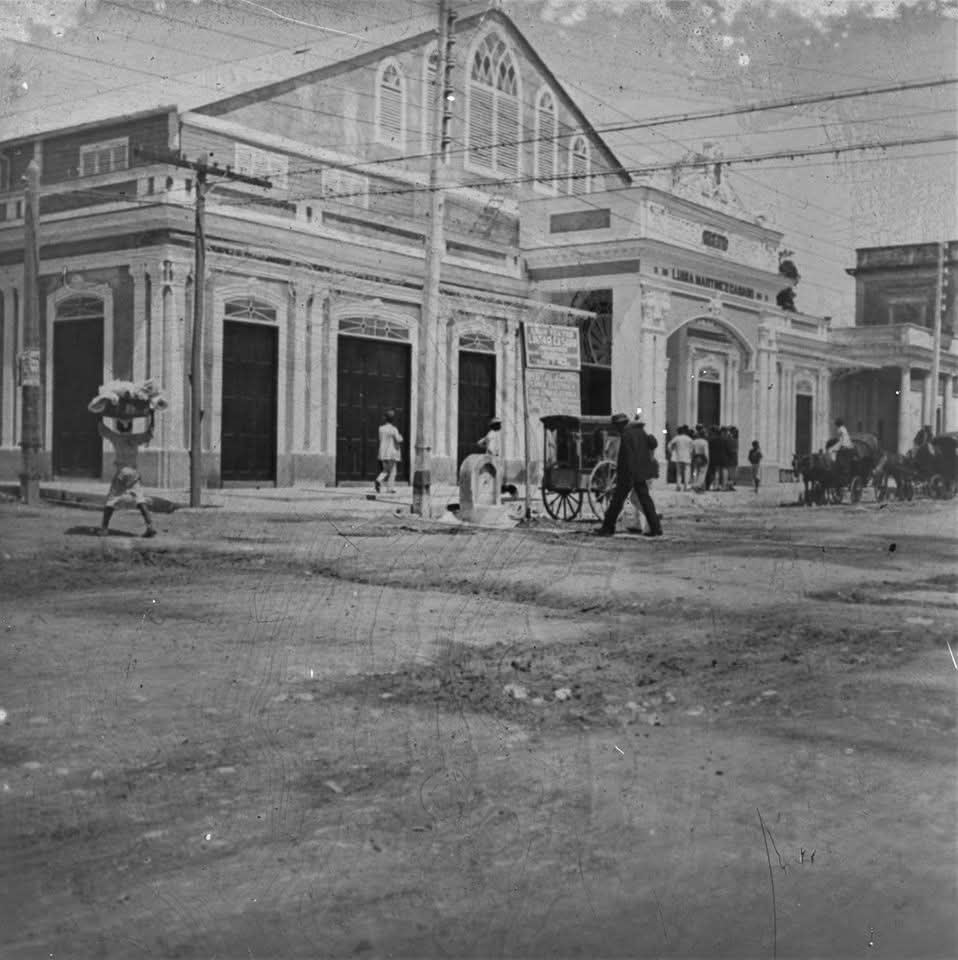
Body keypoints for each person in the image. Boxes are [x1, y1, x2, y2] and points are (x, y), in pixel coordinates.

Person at [593, 412, 663, 538]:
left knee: (617, 501)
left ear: (620, 425)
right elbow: (653, 443)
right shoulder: (641, 432)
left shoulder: (626, 435)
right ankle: (656, 527)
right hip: (641, 471)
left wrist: (627, 476)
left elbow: (628, 457)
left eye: (616, 426)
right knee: (645, 499)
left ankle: (608, 527)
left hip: (628, 474)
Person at [98, 412, 156, 538]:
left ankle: (104, 529)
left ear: (118, 426)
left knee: (111, 500)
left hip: (121, 473)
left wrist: (101, 413)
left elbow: (102, 428)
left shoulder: (115, 437)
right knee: (140, 499)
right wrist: (153, 415)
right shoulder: (136, 438)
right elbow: (150, 432)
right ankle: (150, 526)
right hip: (133, 474)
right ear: (131, 427)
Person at [374, 409, 403, 494]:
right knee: (393, 471)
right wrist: (401, 436)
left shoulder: (381, 429)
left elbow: (380, 439)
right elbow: (398, 439)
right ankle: (389, 488)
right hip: (392, 453)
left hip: (383, 453)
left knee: (386, 470)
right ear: (393, 419)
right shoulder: (394, 429)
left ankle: (378, 480)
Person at [667, 425, 693, 491]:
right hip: (687, 457)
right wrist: (690, 453)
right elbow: (692, 447)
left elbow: (669, 445)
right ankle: (686, 486)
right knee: (687, 472)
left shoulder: (677, 438)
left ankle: (678, 486)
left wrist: (672, 452)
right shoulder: (688, 438)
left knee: (679, 472)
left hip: (678, 457)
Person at [828, 417, 854, 483]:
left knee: (831, 451)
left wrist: (835, 447)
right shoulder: (844, 429)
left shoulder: (840, 429)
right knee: (833, 450)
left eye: (836, 425)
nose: (835, 426)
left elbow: (841, 441)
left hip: (844, 446)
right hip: (847, 445)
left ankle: (833, 465)